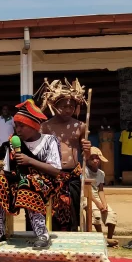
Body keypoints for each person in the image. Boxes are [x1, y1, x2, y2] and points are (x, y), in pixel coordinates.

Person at [0, 99, 61, 249]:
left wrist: (30, 161)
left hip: (44, 183)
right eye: (16, 126)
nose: (17, 130)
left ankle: (41, 233)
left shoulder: (49, 141)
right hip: (18, 181)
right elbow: (6, 171)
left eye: (22, 126)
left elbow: (56, 171)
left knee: (28, 183)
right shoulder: (13, 143)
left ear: (34, 126)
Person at [36, 78, 92, 231]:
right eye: (64, 106)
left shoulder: (80, 126)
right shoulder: (45, 127)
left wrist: (87, 150)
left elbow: (87, 157)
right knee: (51, 215)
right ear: (54, 105)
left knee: (73, 213)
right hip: (51, 175)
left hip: (73, 176)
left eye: (72, 106)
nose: (68, 109)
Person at [85, 147, 118, 247]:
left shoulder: (101, 173)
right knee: (96, 215)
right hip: (86, 197)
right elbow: (86, 191)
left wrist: (104, 203)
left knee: (111, 214)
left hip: (97, 197)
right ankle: (101, 237)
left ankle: (109, 238)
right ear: (87, 159)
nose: (96, 161)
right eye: (92, 158)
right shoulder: (84, 171)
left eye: (97, 158)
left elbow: (101, 190)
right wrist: (97, 203)